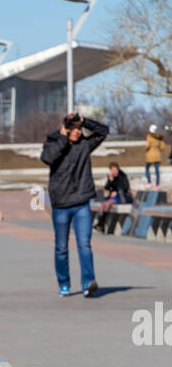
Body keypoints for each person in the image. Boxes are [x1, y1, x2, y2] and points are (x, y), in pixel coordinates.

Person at [40, 110, 109, 297]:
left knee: (84, 244)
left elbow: (103, 131)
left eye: (80, 129)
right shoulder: (54, 142)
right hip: (61, 204)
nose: (78, 132)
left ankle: (88, 282)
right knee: (61, 247)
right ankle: (64, 283)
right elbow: (47, 158)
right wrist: (63, 139)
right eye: (74, 129)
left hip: (81, 203)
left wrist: (85, 121)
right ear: (65, 129)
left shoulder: (85, 145)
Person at [94, 162, 131, 232]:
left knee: (108, 204)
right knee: (102, 205)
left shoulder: (122, 176)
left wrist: (116, 192)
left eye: (115, 170)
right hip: (112, 197)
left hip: (121, 197)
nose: (114, 172)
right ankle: (100, 224)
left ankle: (101, 224)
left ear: (118, 169)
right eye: (112, 170)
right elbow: (106, 187)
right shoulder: (111, 177)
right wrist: (110, 181)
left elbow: (126, 188)